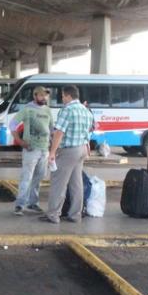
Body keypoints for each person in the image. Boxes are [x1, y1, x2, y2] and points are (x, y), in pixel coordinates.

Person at [45, 85, 94, 224]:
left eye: (63, 96)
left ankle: (53, 214)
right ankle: (75, 215)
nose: (62, 98)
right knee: (76, 184)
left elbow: (59, 132)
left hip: (69, 151)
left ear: (68, 96)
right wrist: (87, 146)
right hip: (81, 149)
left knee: (58, 183)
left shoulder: (67, 110)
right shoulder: (86, 111)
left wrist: (52, 152)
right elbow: (88, 131)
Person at [10, 86, 53, 216]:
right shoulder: (27, 110)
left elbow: (51, 129)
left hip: (44, 150)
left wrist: (52, 148)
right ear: (35, 96)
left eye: (45, 95)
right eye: (41, 95)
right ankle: (20, 205)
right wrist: (20, 141)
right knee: (26, 178)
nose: (44, 98)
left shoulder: (48, 110)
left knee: (38, 178)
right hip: (31, 150)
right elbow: (12, 124)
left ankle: (33, 203)